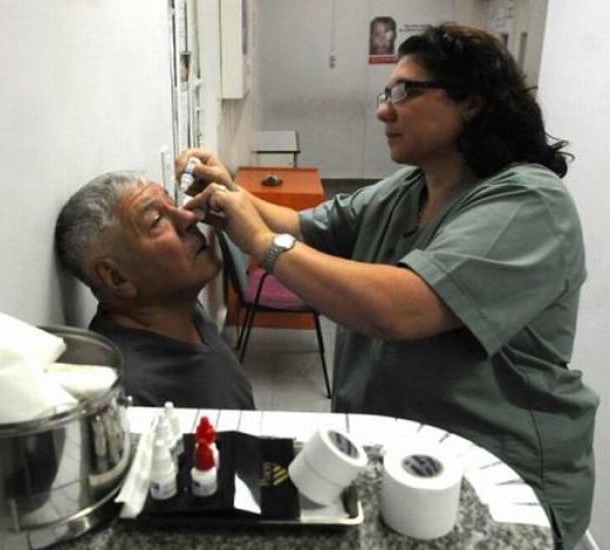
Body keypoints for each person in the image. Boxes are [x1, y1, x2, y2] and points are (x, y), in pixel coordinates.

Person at [179, 23, 597, 550]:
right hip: (403, 454)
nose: (384, 110)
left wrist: (262, 244)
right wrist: (230, 192)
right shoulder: (411, 186)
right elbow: (305, 227)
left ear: (471, 102)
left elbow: (402, 309)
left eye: (405, 92)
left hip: (499, 471)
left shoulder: (529, 204)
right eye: (386, 93)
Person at [55, 170, 254, 410]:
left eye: (174, 204)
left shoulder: (182, 308)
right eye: (157, 220)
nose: (189, 216)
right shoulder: (129, 398)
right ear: (116, 277)